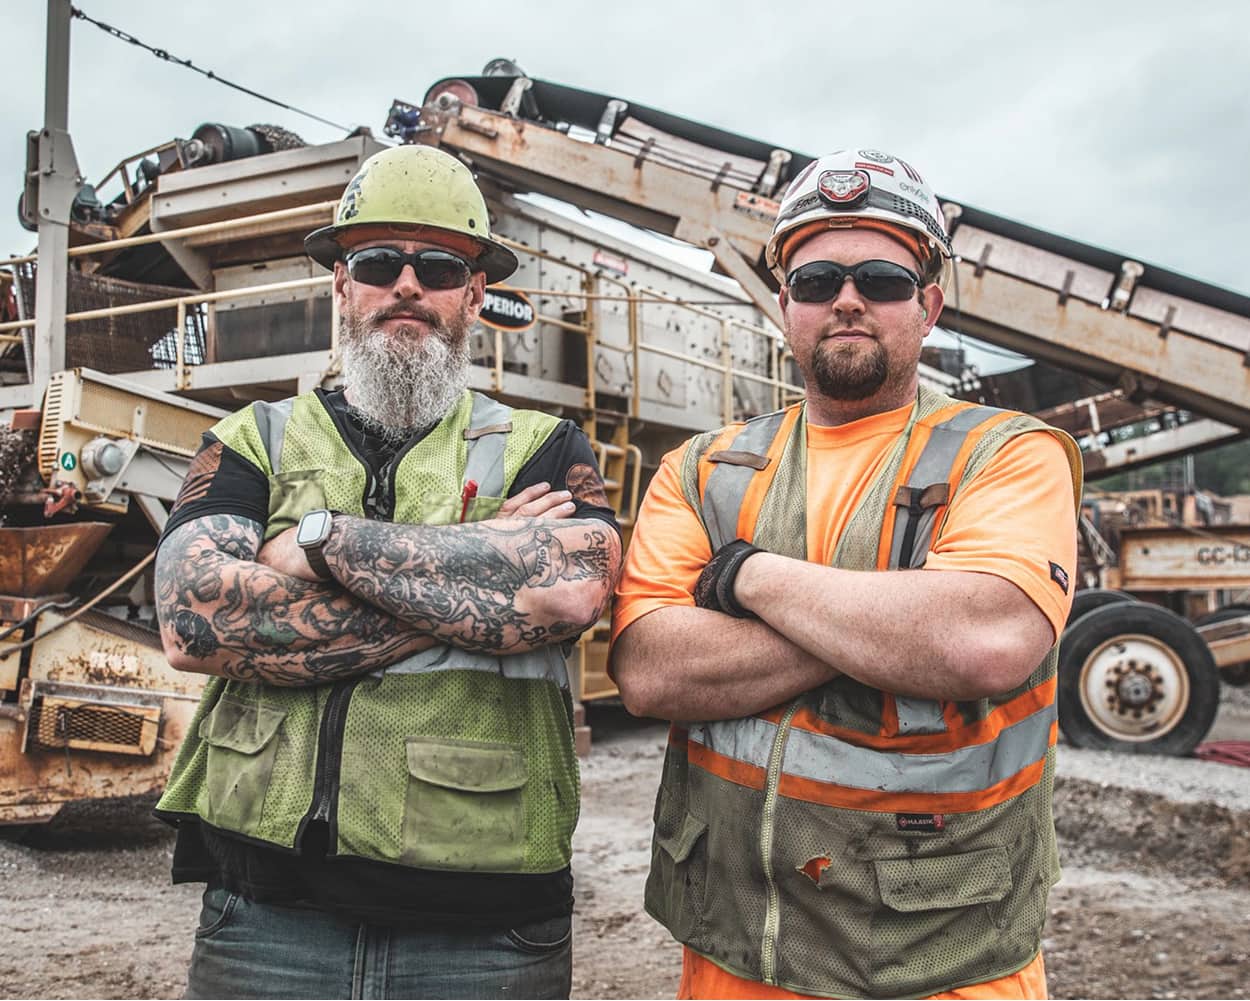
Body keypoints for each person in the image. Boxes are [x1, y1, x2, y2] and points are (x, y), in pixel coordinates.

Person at [610, 148, 1082, 1000]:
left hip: (940, 962)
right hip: (733, 956)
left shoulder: (1006, 454)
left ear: (928, 305)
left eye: (883, 279)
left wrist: (748, 578)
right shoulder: (703, 466)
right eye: (819, 278)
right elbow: (649, 668)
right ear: (784, 301)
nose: (849, 299)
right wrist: (892, 624)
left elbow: (983, 639)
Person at [153, 143, 622, 1000]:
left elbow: (568, 590)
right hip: (263, 918)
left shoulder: (543, 446)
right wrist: (475, 569)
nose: (408, 283)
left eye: (439, 265)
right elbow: (192, 619)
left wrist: (322, 543)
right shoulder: (253, 438)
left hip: (484, 928)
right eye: (378, 261)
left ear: (474, 294)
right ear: (343, 283)